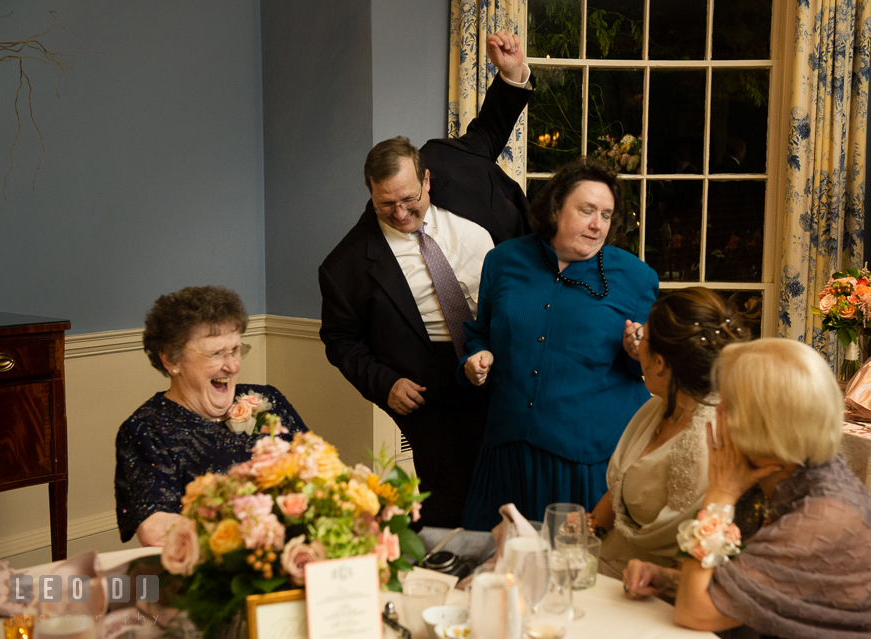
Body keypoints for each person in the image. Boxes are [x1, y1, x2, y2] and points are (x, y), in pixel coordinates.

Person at [318, 33, 532, 529]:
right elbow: (340, 339)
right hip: (432, 380)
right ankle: (442, 589)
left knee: (519, 485)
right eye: (385, 205)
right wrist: (384, 382)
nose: (401, 212)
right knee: (448, 502)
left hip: (506, 354)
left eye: (410, 199)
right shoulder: (346, 264)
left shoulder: (452, 165)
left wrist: (511, 73)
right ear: (370, 194)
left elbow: (488, 130)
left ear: (428, 179)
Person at [622, 339, 871, 638]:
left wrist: (719, 496)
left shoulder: (822, 517)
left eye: (725, 405)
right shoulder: (793, 476)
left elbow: (694, 612)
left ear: (756, 425)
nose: (717, 414)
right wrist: (666, 579)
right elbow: (750, 588)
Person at [460, 157, 659, 530]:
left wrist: (638, 352)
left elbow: (647, 366)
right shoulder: (503, 261)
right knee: (498, 566)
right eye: (587, 211)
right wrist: (476, 356)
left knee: (574, 571)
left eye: (606, 214)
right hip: (507, 451)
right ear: (555, 209)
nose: (597, 224)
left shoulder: (635, 277)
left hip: (583, 462)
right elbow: (480, 332)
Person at [114, 286, 308, 546]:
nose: (232, 365)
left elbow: (319, 471)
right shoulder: (147, 429)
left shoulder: (268, 400)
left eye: (236, 350)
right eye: (216, 353)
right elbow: (154, 528)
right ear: (172, 360)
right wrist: (256, 530)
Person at [590, 287, 751, 578]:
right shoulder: (656, 408)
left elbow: (696, 562)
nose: (637, 346)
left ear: (661, 363)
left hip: (653, 588)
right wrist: (582, 539)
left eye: (644, 339)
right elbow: (619, 492)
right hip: (605, 563)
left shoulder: (707, 446)